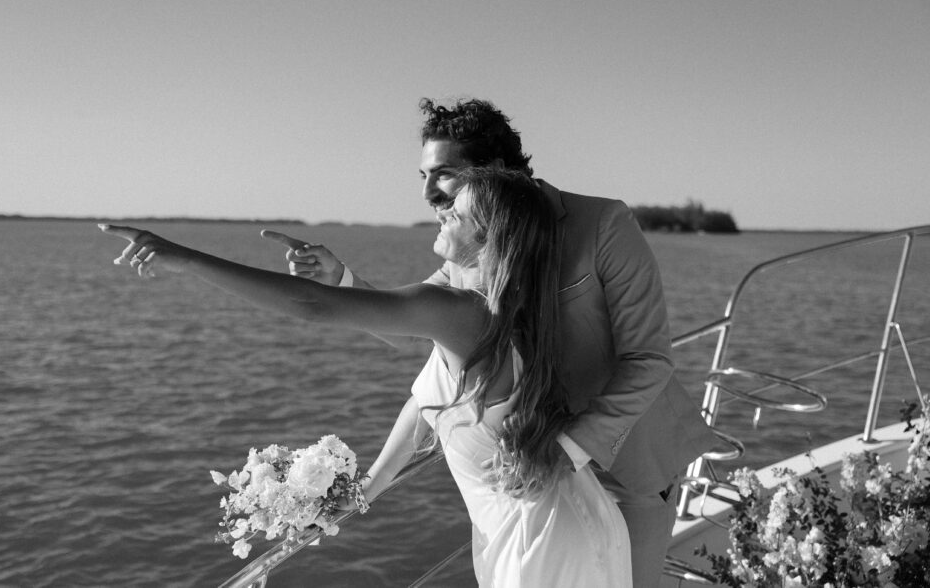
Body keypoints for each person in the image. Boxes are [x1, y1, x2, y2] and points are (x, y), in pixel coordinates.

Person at [263, 97, 720, 588]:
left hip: (625, 467)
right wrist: (340, 279)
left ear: (496, 170)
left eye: (444, 174)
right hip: (529, 485)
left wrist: (567, 450)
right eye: (422, 175)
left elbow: (648, 360)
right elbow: (419, 316)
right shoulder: (471, 249)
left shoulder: (603, 225)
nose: (428, 193)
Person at [100, 167, 633, 587]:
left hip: (544, 544)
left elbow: (312, 305)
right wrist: (361, 492)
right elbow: (424, 404)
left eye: (457, 210)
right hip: (542, 523)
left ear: (490, 236)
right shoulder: (497, 309)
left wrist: (184, 258)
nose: (441, 210)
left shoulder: (457, 312)